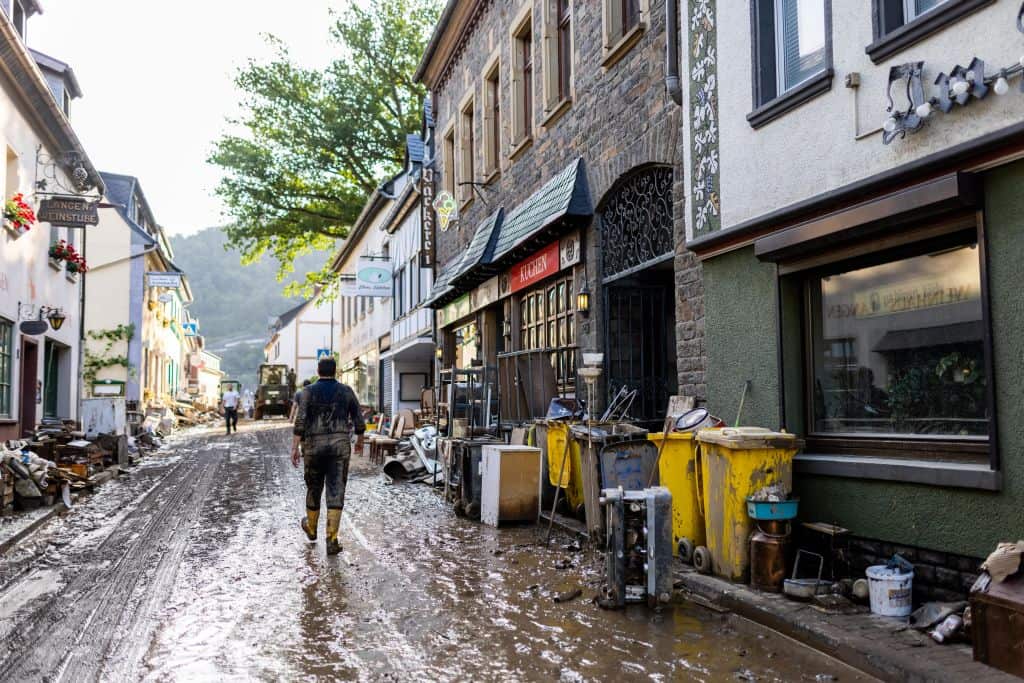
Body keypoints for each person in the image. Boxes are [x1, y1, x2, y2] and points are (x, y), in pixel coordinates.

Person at [291, 358, 365, 555]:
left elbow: (300, 421)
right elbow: (358, 418)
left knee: (314, 487)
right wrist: (359, 440)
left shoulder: (307, 392)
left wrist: (294, 448)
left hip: (313, 446)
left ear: (318, 370)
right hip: (340, 447)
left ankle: (312, 528)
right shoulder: (346, 391)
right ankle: (332, 539)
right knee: (336, 488)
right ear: (336, 371)